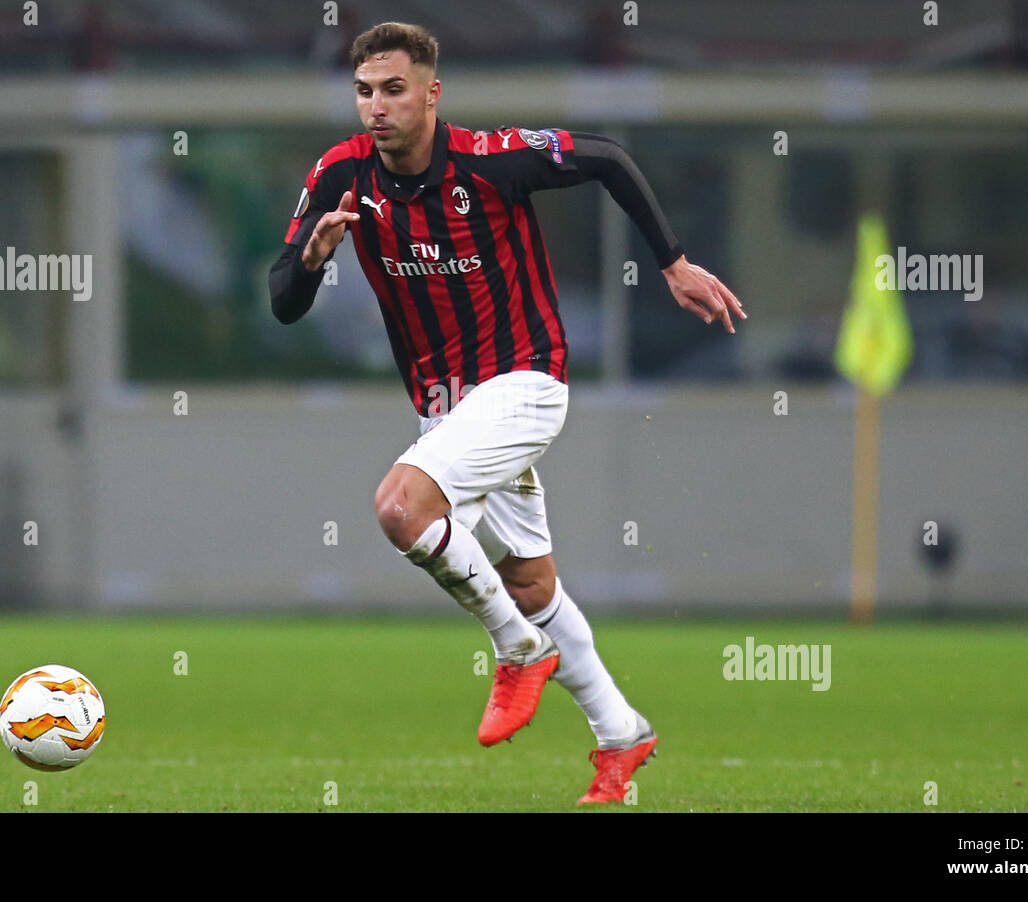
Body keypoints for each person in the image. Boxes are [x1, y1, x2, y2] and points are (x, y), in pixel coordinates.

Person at [268, 21, 745, 804]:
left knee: (399, 507)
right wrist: (315, 261)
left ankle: (517, 653)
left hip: (526, 383)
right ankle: (622, 734)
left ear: (431, 92)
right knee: (529, 583)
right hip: (447, 412)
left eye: (394, 89)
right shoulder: (339, 175)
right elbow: (284, 300)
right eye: (364, 92)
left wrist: (673, 261)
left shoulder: (492, 160)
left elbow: (608, 159)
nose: (377, 108)